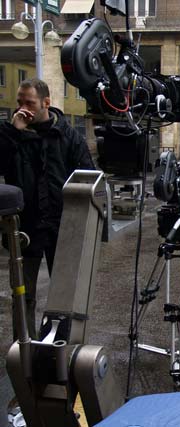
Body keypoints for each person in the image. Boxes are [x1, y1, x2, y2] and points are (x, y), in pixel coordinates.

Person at [0, 78, 94, 340]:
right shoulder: (11, 134)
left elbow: (88, 177)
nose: (23, 109)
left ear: (46, 103)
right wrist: (13, 133)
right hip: (24, 227)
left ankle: (61, 346)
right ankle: (24, 347)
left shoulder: (68, 136)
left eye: (29, 103)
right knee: (23, 294)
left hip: (62, 228)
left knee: (65, 295)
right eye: (20, 102)